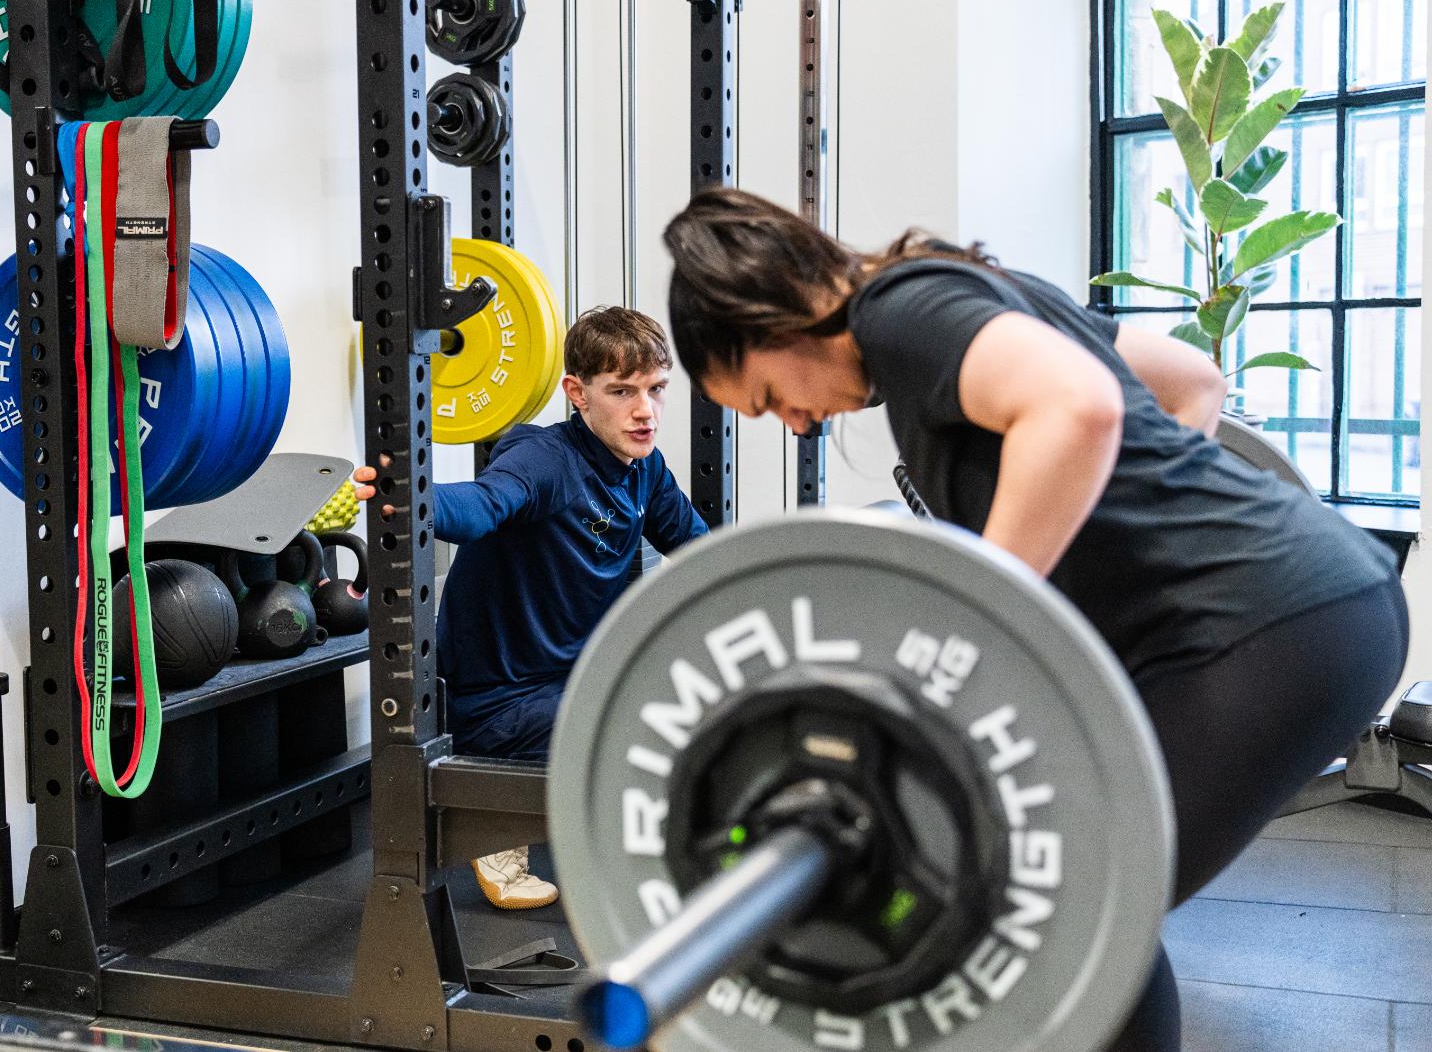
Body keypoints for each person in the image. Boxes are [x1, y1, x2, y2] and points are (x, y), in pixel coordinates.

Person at [661, 186, 1408, 1052]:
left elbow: (1081, 410)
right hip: (1321, 598)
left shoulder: (901, 311)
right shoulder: (972, 288)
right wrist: (1146, 529)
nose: (792, 424)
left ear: (771, 317)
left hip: (1277, 625)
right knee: (1075, 909)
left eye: (764, 396)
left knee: (1064, 915)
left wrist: (987, 616)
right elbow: (1191, 382)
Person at [355, 305, 708, 910]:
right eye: (620, 392)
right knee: (656, 730)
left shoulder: (644, 470)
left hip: (573, 681)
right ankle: (496, 826)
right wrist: (411, 495)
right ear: (578, 393)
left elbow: (703, 551)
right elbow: (485, 504)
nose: (644, 411)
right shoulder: (545, 460)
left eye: (655, 390)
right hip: (500, 705)